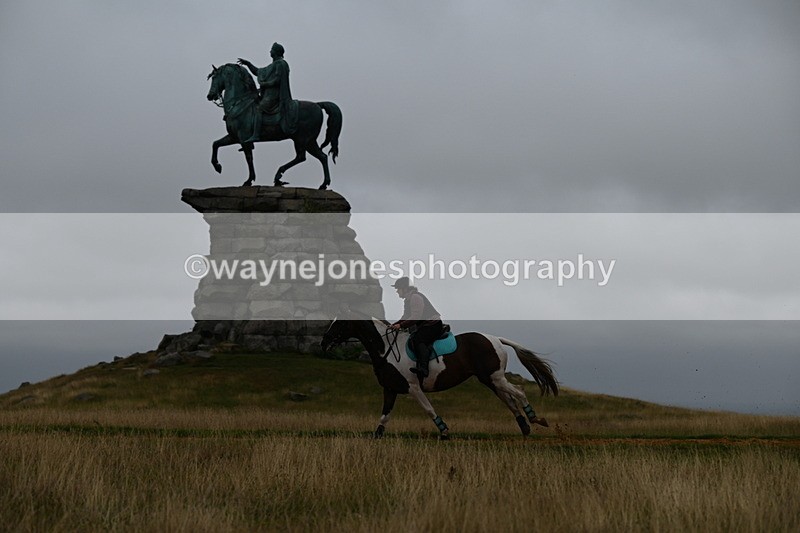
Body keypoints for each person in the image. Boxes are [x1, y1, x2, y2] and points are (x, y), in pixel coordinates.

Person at [237, 42, 299, 142]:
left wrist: (265, 84)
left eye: (272, 50)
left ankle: (256, 135)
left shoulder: (281, 64)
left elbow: (277, 80)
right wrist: (248, 64)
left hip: (275, 95)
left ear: (276, 52)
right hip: (267, 95)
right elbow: (258, 72)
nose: (270, 51)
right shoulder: (272, 66)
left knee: (259, 109)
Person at [389, 277, 444, 378]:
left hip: (433, 325)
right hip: (426, 325)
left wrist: (400, 325)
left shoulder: (415, 297)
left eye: (398, 289)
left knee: (418, 339)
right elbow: (406, 317)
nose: (397, 291)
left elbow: (415, 317)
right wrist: (394, 325)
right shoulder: (408, 300)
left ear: (405, 288)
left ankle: (424, 369)